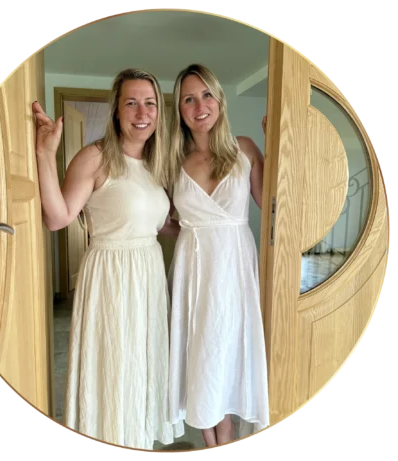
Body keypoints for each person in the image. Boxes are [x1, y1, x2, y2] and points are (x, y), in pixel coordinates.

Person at [32, 68, 184, 450]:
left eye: (150, 103)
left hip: (148, 275)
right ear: (116, 110)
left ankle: (137, 440)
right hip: (111, 276)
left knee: (141, 364)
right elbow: (57, 217)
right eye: (131, 103)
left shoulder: (157, 163)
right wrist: (45, 154)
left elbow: (158, 224)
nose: (142, 112)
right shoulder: (95, 157)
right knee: (113, 363)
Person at [164, 63, 270, 447]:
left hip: (234, 268)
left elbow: (272, 205)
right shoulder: (172, 161)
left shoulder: (245, 149)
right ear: (179, 110)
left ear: (220, 100)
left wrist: (274, 142)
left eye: (207, 95)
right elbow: (165, 221)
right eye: (189, 99)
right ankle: (213, 439)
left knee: (227, 350)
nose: (200, 106)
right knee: (200, 354)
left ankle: (224, 436)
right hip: (194, 269)